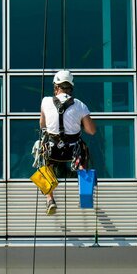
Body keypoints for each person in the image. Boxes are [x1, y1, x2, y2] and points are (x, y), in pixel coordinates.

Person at [38, 70, 96, 215]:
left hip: (52, 151)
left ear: (56, 87)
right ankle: (85, 196)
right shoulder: (80, 105)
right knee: (83, 162)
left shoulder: (45, 101)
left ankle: (50, 199)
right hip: (73, 151)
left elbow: (42, 124)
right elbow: (91, 130)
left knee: (44, 164)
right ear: (71, 87)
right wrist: (78, 121)